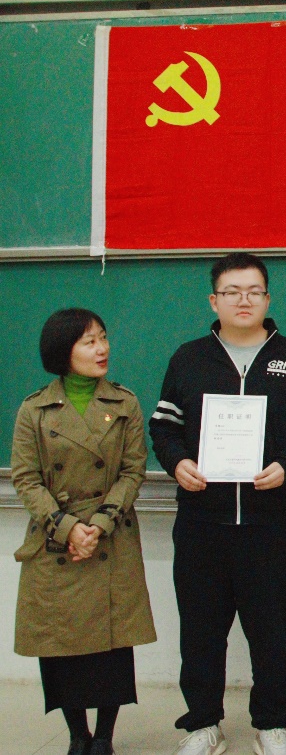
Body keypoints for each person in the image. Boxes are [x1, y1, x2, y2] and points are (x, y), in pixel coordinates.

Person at [149, 253, 286, 755]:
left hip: (268, 524)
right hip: (201, 522)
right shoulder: (189, 358)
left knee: (272, 631)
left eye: (253, 291)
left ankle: (273, 725)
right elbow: (163, 426)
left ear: (267, 298)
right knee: (201, 632)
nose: (243, 300)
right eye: (232, 291)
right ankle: (203, 724)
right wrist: (178, 462)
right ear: (214, 300)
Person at [11, 308, 156, 755]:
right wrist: (69, 528)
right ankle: (78, 735)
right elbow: (26, 479)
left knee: (112, 646)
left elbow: (133, 471)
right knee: (61, 645)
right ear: (63, 350)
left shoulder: (125, 403)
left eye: (103, 338)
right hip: (56, 540)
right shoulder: (34, 409)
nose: (102, 348)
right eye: (89, 341)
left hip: (110, 535)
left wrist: (99, 524)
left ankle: (105, 737)